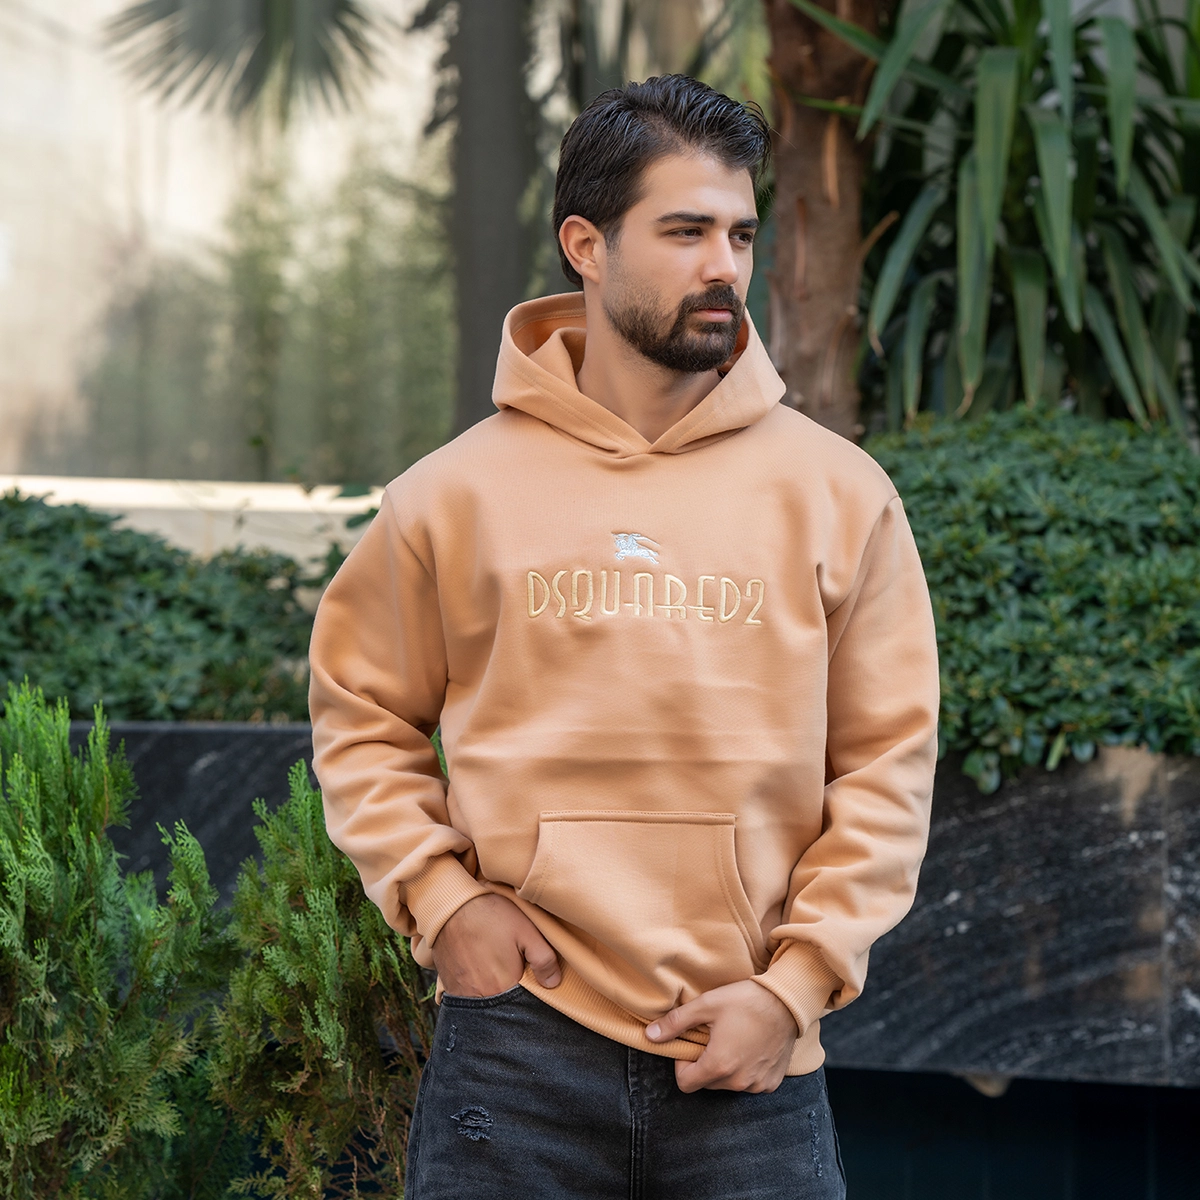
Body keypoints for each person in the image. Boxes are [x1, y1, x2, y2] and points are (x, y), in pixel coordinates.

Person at [309, 74, 939, 1200]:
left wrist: (795, 988)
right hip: (517, 1045)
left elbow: (887, 766)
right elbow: (361, 715)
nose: (724, 266)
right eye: (685, 231)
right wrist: (445, 901)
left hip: (749, 1050)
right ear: (586, 246)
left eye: (740, 234)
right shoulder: (451, 496)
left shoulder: (840, 494)